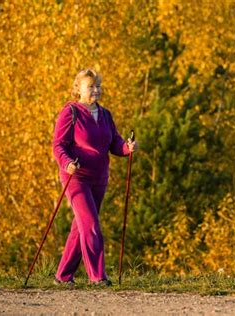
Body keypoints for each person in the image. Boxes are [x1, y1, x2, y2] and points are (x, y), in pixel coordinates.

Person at [52, 69, 137, 286]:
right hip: (76, 177)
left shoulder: (105, 114)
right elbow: (58, 145)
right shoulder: (70, 112)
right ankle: (97, 277)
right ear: (78, 89)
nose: (96, 90)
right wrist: (67, 163)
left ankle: (63, 276)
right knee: (90, 225)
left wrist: (127, 147)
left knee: (80, 227)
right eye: (90, 86)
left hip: (100, 179)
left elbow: (115, 144)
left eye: (98, 86)